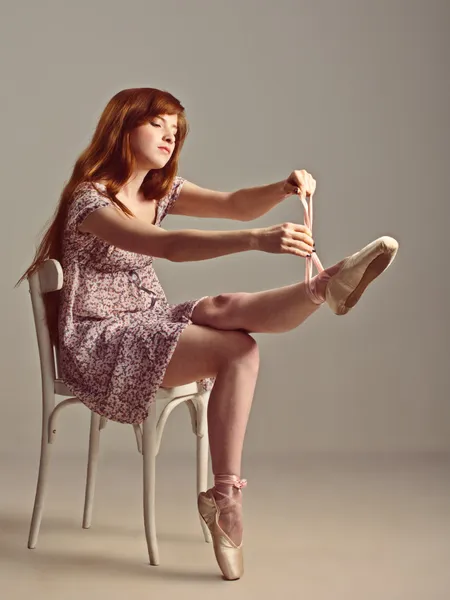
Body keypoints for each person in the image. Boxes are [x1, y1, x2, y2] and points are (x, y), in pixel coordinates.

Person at [17, 87, 398, 581]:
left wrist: (282, 188)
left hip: (146, 320)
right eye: (158, 124)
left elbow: (236, 204)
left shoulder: (158, 190)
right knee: (236, 346)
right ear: (123, 126)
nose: (170, 136)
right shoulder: (89, 200)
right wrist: (257, 241)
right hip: (99, 342)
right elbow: (167, 244)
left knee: (229, 324)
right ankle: (323, 290)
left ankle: (324, 289)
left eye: (176, 130)